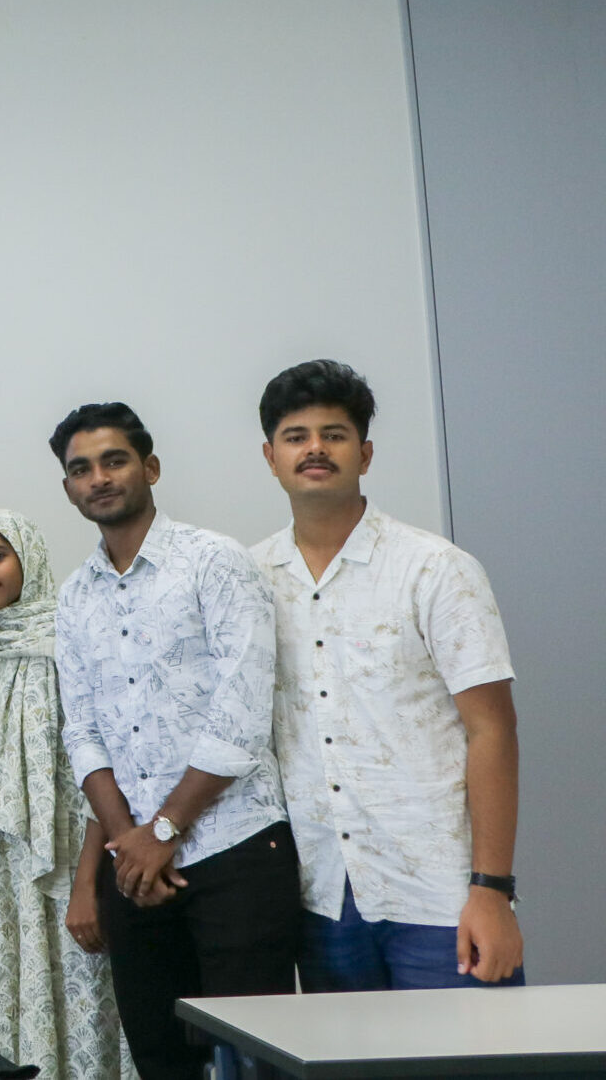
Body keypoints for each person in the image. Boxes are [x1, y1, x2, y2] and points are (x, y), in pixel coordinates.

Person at [251, 360, 524, 990]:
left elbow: (493, 732)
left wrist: (492, 890)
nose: (315, 448)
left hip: (439, 892)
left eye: (334, 433)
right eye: (296, 436)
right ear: (270, 456)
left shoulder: (436, 570)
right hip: (320, 898)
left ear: (365, 453)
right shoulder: (247, 580)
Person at [50, 402, 299, 1080]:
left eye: (114, 459)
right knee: (160, 1057)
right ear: (69, 488)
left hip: (236, 847)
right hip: (133, 867)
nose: (98, 477)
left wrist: (162, 830)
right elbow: (83, 731)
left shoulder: (214, 560)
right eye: (80, 468)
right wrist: (128, 839)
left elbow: (242, 713)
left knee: (255, 1063)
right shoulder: (74, 596)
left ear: (150, 466)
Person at [0, 510, 134, 1080]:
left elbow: (102, 770)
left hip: (73, 873)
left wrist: (87, 886)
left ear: (28, 559)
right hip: (8, 879)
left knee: (89, 1013)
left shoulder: (72, 641)